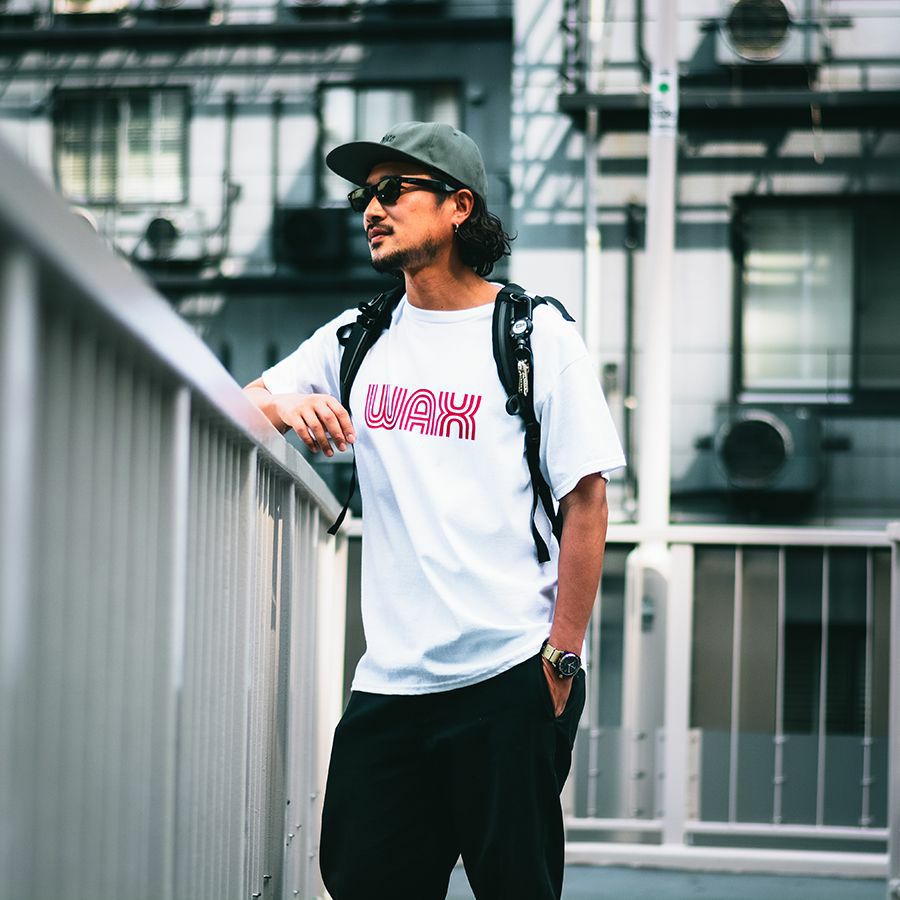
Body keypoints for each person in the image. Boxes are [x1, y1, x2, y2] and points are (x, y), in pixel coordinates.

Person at [243, 121, 625, 900]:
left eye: (392, 190)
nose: (370, 210)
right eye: (363, 195)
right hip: (390, 685)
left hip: (509, 675)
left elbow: (586, 501)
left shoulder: (535, 334)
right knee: (362, 881)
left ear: (459, 207)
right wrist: (284, 409)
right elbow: (237, 402)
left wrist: (560, 660)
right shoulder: (358, 336)